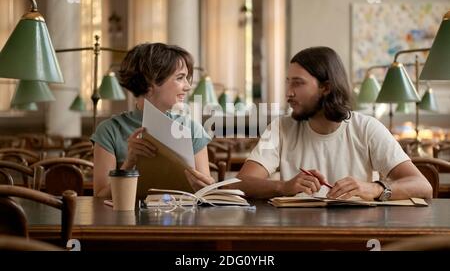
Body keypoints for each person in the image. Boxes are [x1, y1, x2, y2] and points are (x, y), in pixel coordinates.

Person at [186, 46, 432, 200]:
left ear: (326, 87)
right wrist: (283, 186)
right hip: (297, 235)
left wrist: (376, 188)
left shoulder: (367, 128)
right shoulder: (281, 128)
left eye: (298, 83)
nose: (288, 93)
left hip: (359, 235)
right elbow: (241, 182)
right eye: (287, 82)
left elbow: (422, 186)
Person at [91, 43, 213, 197]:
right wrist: (129, 163)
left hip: (182, 218)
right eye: (180, 78)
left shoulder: (192, 129)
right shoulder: (109, 130)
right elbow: (100, 197)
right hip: (126, 220)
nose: (188, 87)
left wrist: (205, 187)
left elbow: (206, 193)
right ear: (150, 83)